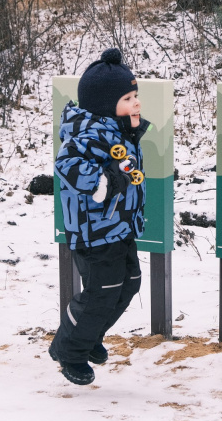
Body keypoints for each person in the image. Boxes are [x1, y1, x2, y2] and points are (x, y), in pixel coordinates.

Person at [49, 48, 148, 385]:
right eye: (128, 98)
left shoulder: (118, 130)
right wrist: (104, 182)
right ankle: (70, 351)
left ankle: (86, 335)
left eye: (136, 96)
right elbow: (67, 165)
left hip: (119, 228)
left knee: (130, 283)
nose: (136, 103)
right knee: (102, 290)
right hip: (95, 232)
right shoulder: (89, 133)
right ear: (106, 104)